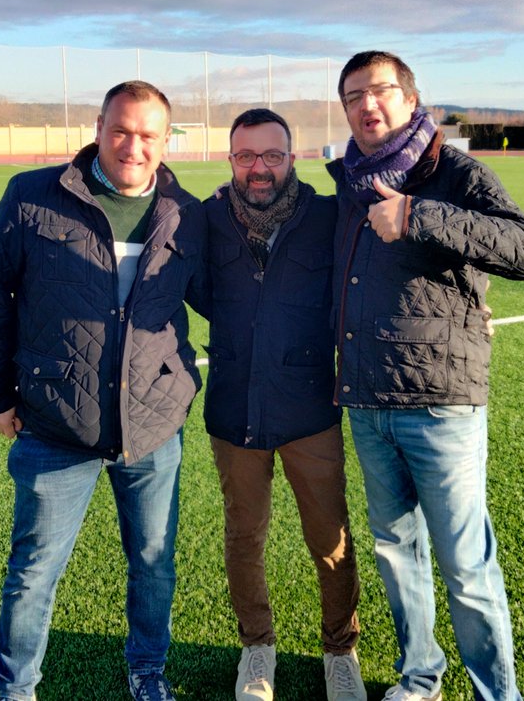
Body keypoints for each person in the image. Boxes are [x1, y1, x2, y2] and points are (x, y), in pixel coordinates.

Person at [0, 80, 205, 701]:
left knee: (153, 565)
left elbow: (226, 299)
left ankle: (147, 672)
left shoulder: (185, 212)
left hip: (151, 427)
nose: (134, 146)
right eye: (122, 130)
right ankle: (17, 689)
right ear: (98, 127)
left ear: (165, 140)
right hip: (56, 423)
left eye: (149, 135)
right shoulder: (32, 194)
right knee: (34, 573)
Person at [328, 52, 524, 701]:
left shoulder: (451, 173)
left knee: (465, 566)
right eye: (352, 97)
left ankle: (496, 694)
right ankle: (419, 677)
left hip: (439, 404)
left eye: (380, 91)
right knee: (398, 557)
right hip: (367, 403)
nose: (367, 105)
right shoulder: (349, 181)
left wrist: (419, 216)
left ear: (411, 97)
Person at [197, 108, 365, 701]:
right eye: (246, 156)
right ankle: (257, 649)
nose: (259, 168)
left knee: (330, 538)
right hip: (234, 411)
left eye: (271, 155)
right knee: (245, 535)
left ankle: (340, 650)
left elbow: (380, 272)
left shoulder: (327, 216)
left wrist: (470, 307)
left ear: (291, 158)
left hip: (309, 409)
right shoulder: (207, 219)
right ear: (231, 161)